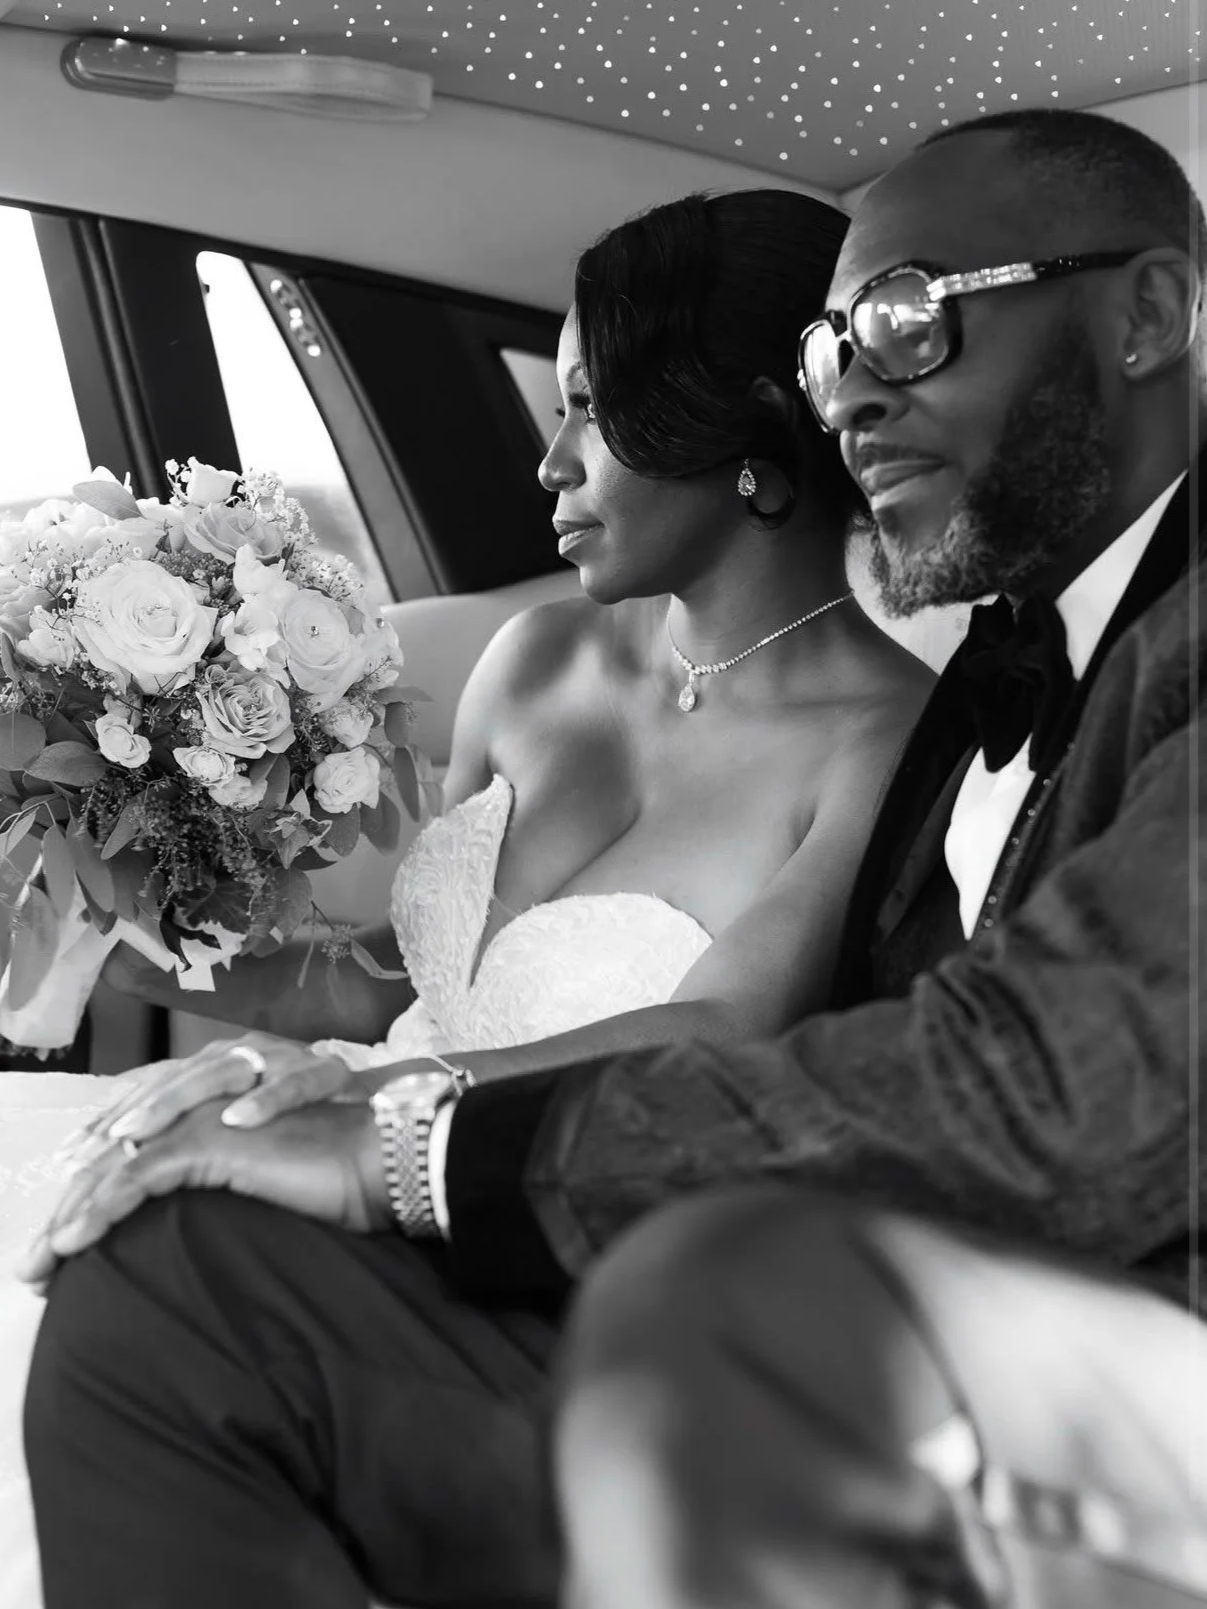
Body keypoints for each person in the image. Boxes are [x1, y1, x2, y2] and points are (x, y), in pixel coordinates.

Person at [22, 102, 1204, 1608]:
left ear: (1151, 312)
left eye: (903, 327)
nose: (848, 400)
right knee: (169, 1282)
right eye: (831, 353)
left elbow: (1015, 1078)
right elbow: (395, 983)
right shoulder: (1001, 681)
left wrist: (395, 1139)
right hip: (799, 1277)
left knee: (702, 1308)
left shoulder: (935, 716)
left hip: (995, 1349)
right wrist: (126, 935)